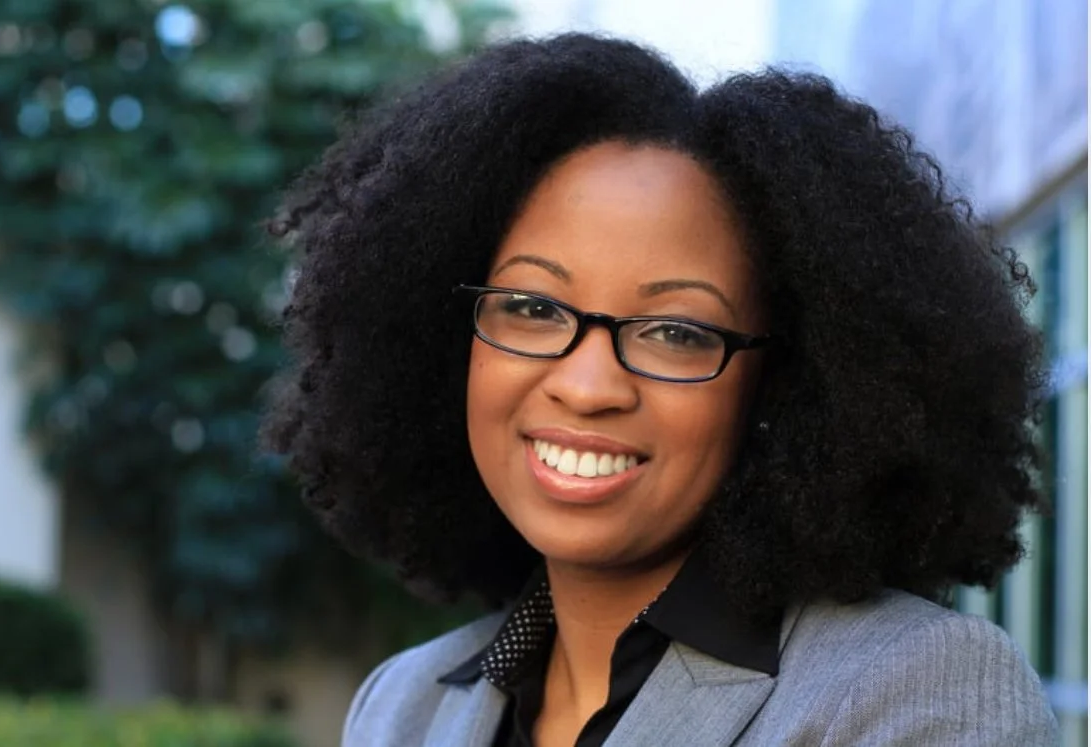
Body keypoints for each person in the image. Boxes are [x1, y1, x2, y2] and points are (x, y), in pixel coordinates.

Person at [264, 33, 1058, 747]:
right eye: (534, 308)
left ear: (782, 385)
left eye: (677, 331)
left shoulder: (913, 690)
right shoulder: (401, 707)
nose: (587, 386)